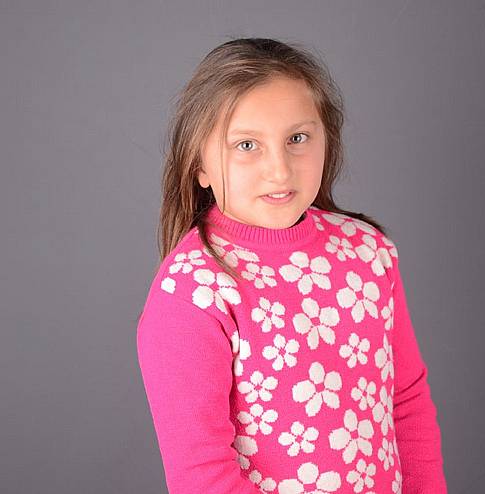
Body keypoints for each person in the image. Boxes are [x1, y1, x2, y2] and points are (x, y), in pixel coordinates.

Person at [136, 37, 447, 494]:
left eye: (297, 139)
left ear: (327, 140)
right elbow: (202, 474)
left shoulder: (368, 252)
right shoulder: (192, 294)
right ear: (199, 164)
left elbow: (406, 400)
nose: (279, 170)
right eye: (247, 145)